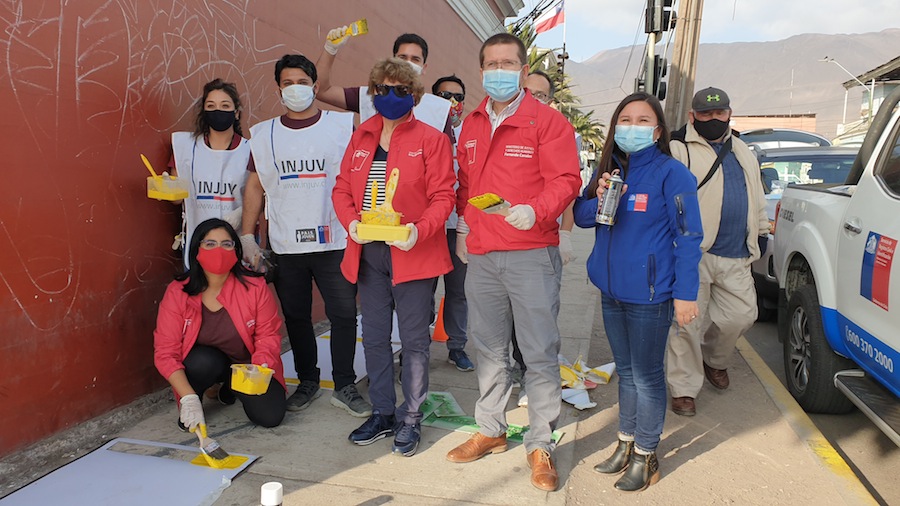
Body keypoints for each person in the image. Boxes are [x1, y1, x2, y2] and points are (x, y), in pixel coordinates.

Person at [445, 33, 581, 492]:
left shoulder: (547, 122)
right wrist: (465, 225)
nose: (498, 71)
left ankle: (540, 445)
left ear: (523, 71)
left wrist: (536, 209)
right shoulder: (472, 123)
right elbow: (466, 185)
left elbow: (567, 180)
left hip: (530, 255)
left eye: (507, 64)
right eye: (490, 64)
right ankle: (491, 430)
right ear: (481, 70)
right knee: (489, 350)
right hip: (482, 255)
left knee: (540, 353)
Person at [573, 93, 703, 492]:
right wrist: (598, 191)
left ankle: (647, 455)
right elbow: (580, 218)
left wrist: (686, 294)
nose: (632, 126)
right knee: (626, 372)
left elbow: (689, 236)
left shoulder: (672, 174)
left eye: (642, 120)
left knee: (646, 377)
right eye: (624, 119)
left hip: (650, 296)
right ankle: (625, 443)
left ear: (658, 130)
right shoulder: (609, 169)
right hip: (612, 292)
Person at [331, 58, 455, 457]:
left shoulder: (432, 140)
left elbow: (443, 197)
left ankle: (412, 418)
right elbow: (341, 190)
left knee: (416, 342)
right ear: (372, 94)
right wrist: (350, 222)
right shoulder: (361, 137)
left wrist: (417, 231)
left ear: (415, 96)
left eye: (400, 90)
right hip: (369, 251)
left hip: (413, 252)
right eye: (382, 90)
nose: (390, 97)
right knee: (376, 337)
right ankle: (383, 411)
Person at [239, 54, 369, 418]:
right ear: (278, 88)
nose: (295, 88)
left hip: (335, 239)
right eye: (287, 82)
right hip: (285, 243)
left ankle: (344, 384)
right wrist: (248, 237)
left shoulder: (342, 126)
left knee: (344, 315)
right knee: (296, 317)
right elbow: (254, 186)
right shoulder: (263, 134)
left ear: (314, 85)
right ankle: (308, 381)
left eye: (302, 81)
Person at [665, 87, 769, 417]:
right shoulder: (678, 149)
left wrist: (761, 230)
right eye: (706, 114)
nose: (713, 119)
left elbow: (756, 196)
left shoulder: (742, 149)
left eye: (719, 113)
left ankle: (714, 359)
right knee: (686, 325)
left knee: (742, 316)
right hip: (693, 253)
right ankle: (683, 388)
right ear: (692, 116)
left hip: (736, 253)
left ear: (729, 113)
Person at [154, 218, 287, 433]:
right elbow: (165, 352)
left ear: (236, 251)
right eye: (210, 243)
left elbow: (268, 336)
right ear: (196, 249)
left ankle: (230, 388)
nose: (219, 250)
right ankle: (198, 394)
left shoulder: (255, 287)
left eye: (227, 244)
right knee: (202, 362)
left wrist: (257, 370)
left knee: (269, 416)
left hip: (247, 367)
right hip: (207, 363)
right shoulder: (178, 291)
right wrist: (187, 398)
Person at [168, 79, 252, 268]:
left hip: (236, 240)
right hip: (198, 240)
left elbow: (262, 195)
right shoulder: (185, 148)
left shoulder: (251, 150)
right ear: (204, 112)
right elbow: (176, 200)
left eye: (225, 105)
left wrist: (242, 213)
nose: (218, 111)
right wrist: (167, 187)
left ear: (236, 112)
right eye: (211, 106)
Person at [316, 31, 451, 131]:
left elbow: (445, 161)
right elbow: (322, 91)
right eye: (402, 57)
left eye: (415, 59)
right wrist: (330, 49)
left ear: (424, 67)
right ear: (392, 60)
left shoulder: (440, 110)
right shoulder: (370, 95)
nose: (408, 63)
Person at [429, 74, 474, 372]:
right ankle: (414, 347)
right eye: (445, 96)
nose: (452, 103)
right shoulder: (422, 132)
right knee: (421, 292)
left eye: (458, 97)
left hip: (460, 227)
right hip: (428, 229)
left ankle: (456, 347)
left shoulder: (472, 135)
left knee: (458, 291)